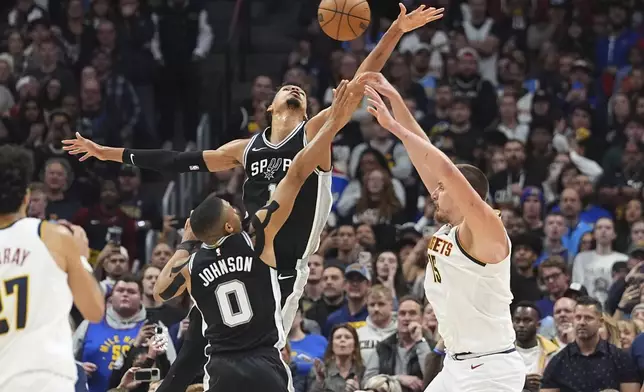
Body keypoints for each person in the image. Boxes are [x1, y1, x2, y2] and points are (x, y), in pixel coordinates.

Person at [62, 4, 444, 332]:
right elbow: (176, 161)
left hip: (289, 265)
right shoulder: (244, 149)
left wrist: (394, 30)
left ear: (309, 111)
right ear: (269, 107)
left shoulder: (314, 134)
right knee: (230, 345)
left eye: (301, 92)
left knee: (264, 350)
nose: (294, 89)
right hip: (248, 253)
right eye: (286, 89)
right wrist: (106, 152)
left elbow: (360, 83)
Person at [151, 80, 363, 392]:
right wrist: (332, 125)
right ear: (229, 226)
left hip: (222, 365)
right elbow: (297, 176)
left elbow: (161, 291)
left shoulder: (195, 265)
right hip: (263, 361)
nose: (236, 207)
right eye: (230, 208)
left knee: (192, 351)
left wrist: (185, 243)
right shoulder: (261, 243)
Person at [360, 72, 525, 391]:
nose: (433, 193)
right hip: (457, 364)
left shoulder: (488, 231)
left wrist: (394, 128)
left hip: (490, 368)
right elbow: (425, 154)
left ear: (466, 194)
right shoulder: (451, 229)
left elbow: (446, 171)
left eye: (441, 190)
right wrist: (396, 100)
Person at [0, 145, 105, 391]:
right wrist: (80, 258)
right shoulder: (52, 236)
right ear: (26, 198)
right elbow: (94, 311)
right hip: (45, 378)